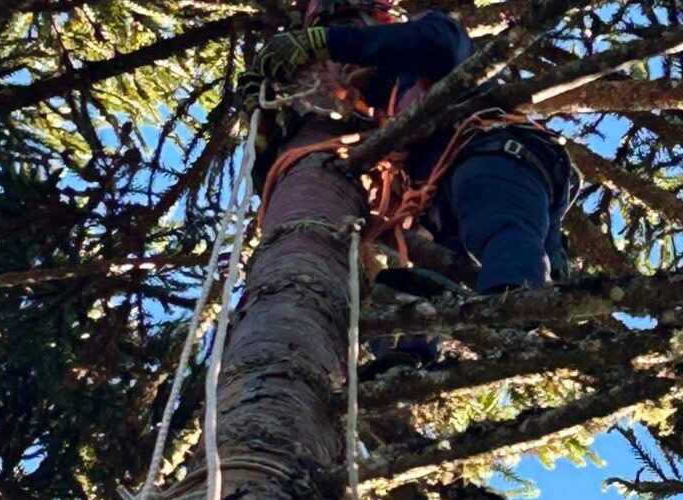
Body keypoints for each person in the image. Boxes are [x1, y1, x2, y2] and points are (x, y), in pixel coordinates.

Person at [237, 0, 575, 369]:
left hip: (493, 154)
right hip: (449, 200)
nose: (342, 69)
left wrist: (327, 42)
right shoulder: (382, 112)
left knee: (494, 221)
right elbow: (290, 181)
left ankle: (515, 306)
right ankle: (407, 359)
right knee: (407, 285)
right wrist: (266, 119)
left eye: (346, 51)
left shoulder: (432, 35)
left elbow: (437, 45)